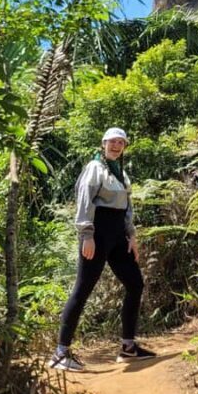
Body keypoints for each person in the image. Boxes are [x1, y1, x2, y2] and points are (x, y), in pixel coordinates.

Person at [50, 127, 155, 371]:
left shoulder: (121, 173)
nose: (117, 146)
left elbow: (126, 206)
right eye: (113, 142)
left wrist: (131, 235)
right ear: (103, 143)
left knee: (135, 284)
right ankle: (60, 353)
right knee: (83, 288)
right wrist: (87, 235)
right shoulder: (95, 168)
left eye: (121, 142)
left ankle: (128, 347)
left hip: (118, 235)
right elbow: (85, 200)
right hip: (97, 233)